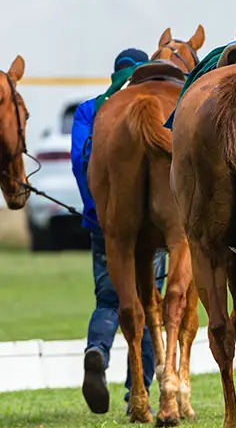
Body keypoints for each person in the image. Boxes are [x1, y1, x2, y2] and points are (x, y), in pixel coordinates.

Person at [71, 48, 167, 415]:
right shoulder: (155, 103)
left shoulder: (92, 108)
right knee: (148, 303)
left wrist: (97, 208)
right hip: (152, 224)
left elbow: (82, 160)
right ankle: (136, 391)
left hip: (103, 221)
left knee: (110, 299)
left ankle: (97, 349)